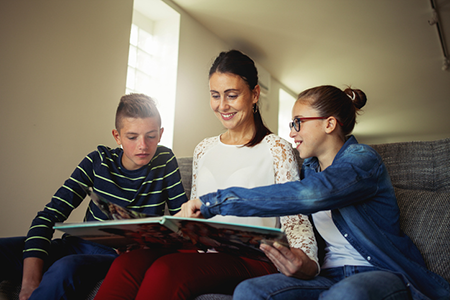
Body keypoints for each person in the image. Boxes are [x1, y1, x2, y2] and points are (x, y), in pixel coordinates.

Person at [177, 85, 450, 300]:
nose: (292, 132)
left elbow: (311, 194)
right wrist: (301, 262)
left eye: (298, 122)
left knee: (345, 295)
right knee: (250, 292)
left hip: (379, 273)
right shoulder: (308, 169)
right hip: (328, 275)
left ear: (329, 124)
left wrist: (215, 201)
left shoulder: (363, 161)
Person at [93, 50, 318, 300]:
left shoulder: (276, 148)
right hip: (204, 251)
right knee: (129, 263)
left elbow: (296, 219)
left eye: (232, 95)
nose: (222, 105)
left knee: (166, 270)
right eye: (215, 95)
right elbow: (194, 219)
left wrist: (307, 262)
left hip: (251, 258)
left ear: (254, 94)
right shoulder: (204, 149)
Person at [0, 94, 188, 300]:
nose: (142, 145)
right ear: (117, 136)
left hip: (113, 256)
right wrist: (29, 284)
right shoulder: (98, 161)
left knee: (66, 266)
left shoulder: (165, 161)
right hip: (76, 244)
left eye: (150, 136)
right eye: (132, 137)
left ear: (160, 134)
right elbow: (47, 217)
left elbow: (182, 223)